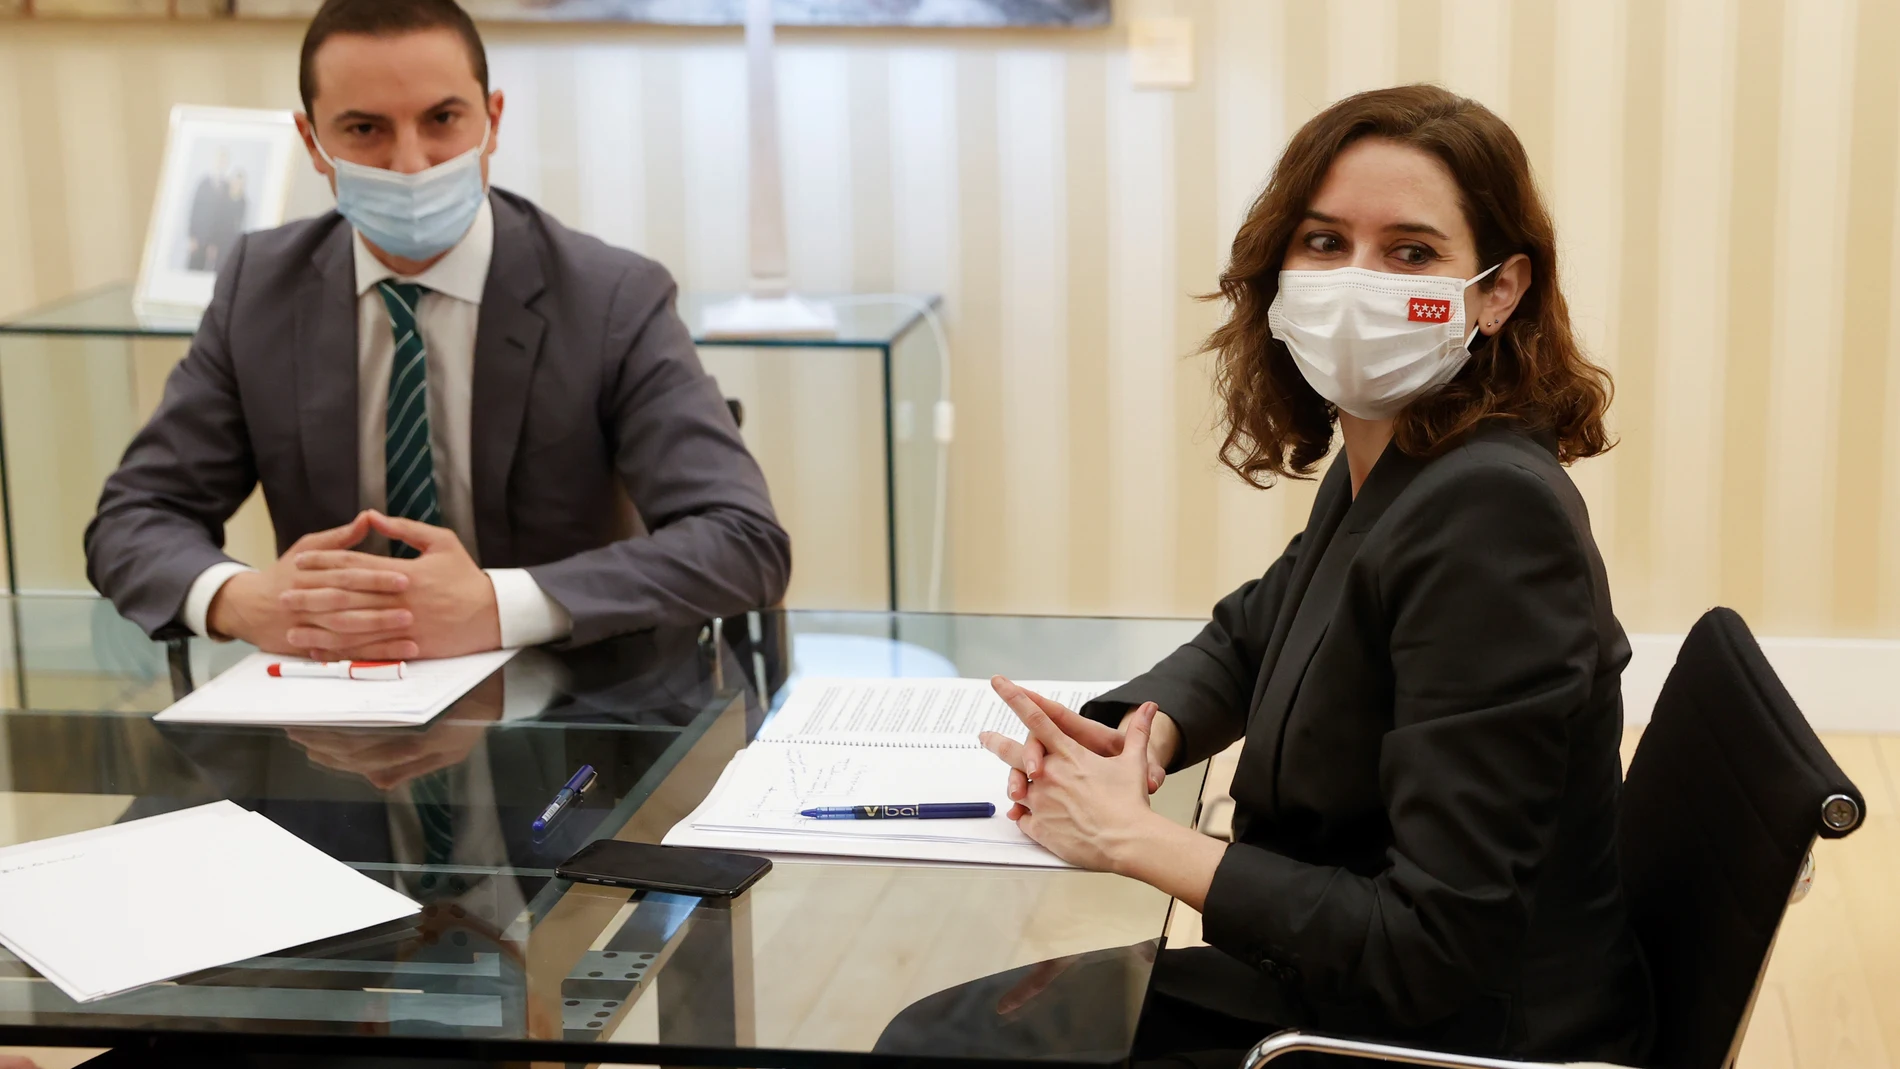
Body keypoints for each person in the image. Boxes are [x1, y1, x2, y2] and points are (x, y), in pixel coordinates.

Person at [895, 85, 1655, 1067]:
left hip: (1440, 1034)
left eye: (1411, 252)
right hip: (1336, 976)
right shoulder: (1399, 450)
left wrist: (1132, 836)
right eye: (1324, 242)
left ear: (1498, 290)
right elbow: (1258, 629)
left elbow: (1431, 950)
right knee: (948, 1032)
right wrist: (1140, 733)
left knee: (937, 1043)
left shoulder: (1493, 516)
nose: (1356, 281)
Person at [86, 0, 790, 658]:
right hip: (332, 728)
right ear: (311, 140)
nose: (411, 163)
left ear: (493, 119)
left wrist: (497, 604)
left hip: (579, 724)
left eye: (442, 119)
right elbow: (135, 517)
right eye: (365, 129)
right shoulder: (260, 289)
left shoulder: (611, 298)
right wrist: (242, 600)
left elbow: (742, 541)